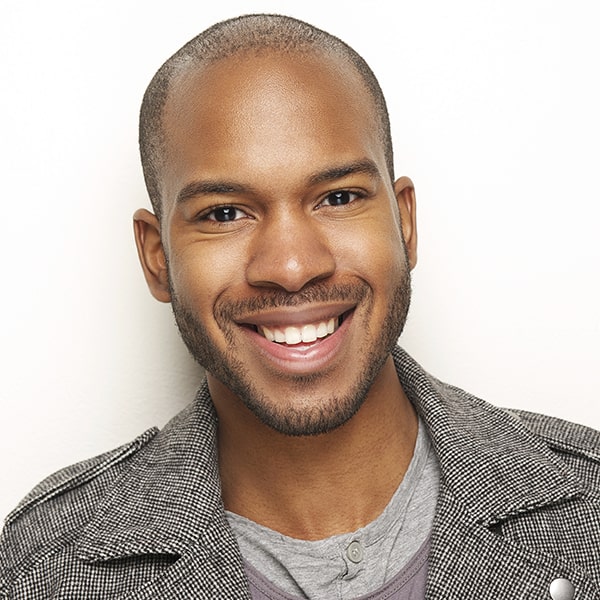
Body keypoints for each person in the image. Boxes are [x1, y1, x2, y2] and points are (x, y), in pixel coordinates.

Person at [0, 13, 598, 600]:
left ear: (405, 223)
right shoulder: (47, 568)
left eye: (338, 197)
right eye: (224, 213)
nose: (291, 267)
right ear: (157, 258)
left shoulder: (587, 506)